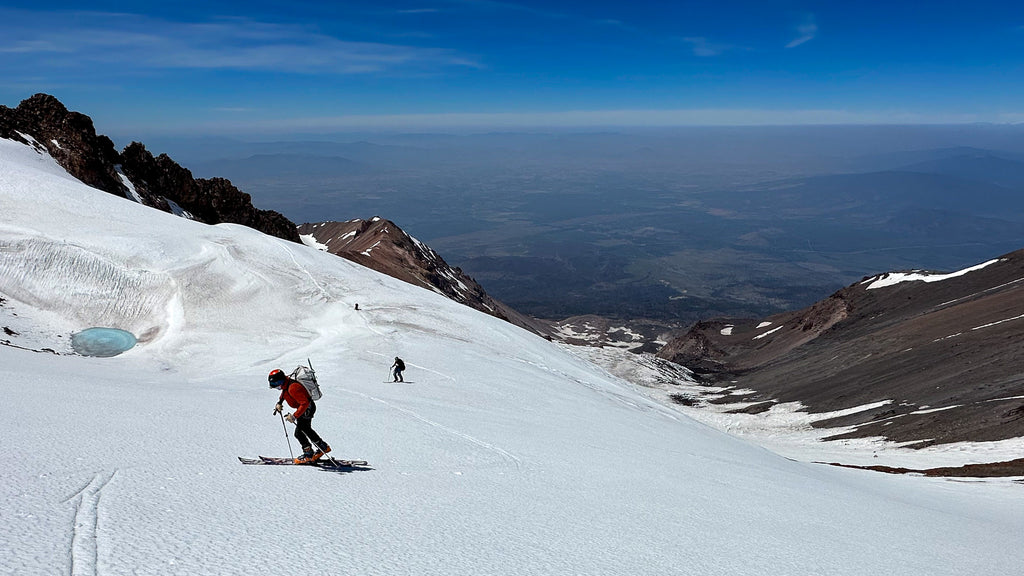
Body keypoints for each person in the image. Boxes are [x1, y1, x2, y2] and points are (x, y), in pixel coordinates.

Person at [268, 368, 331, 464]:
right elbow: (284, 393)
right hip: (305, 408)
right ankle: (322, 447)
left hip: (307, 409)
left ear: (281, 381)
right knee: (306, 429)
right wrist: (279, 402)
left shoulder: (293, 387)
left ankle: (309, 455)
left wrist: (294, 416)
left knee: (299, 433)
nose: (276, 387)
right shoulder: (286, 384)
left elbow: (304, 403)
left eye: (276, 384)